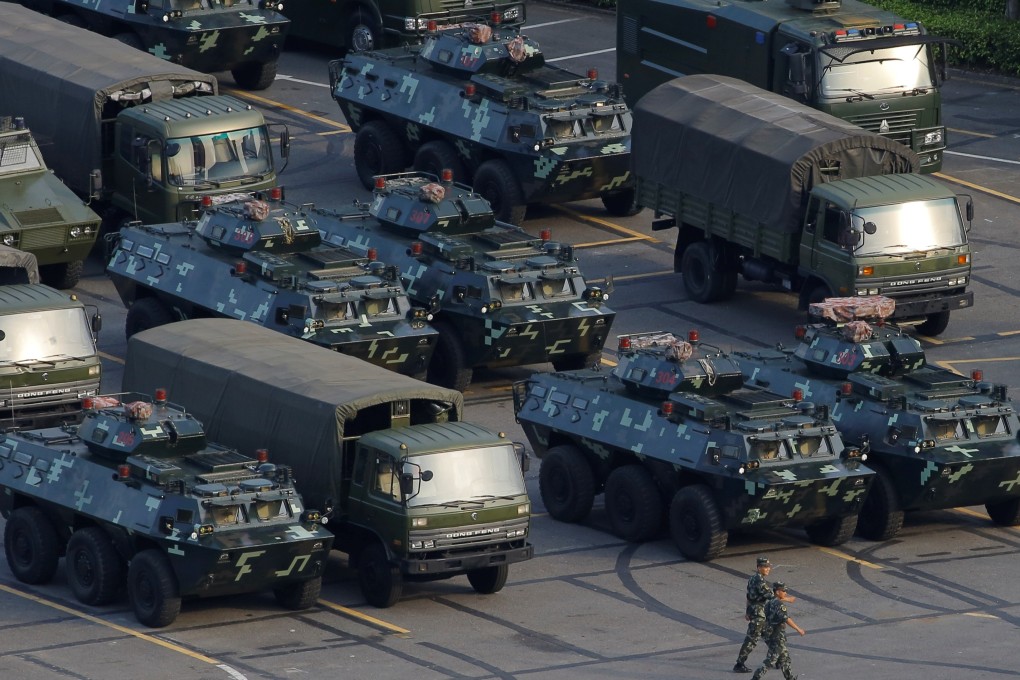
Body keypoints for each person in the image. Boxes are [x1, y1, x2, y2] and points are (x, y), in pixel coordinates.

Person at [751, 582, 805, 680]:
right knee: (771, 660)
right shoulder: (780, 605)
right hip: (777, 635)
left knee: (785, 658)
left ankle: (790, 678)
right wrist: (798, 629)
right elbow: (786, 619)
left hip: (769, 633)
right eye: (783, 591)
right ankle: (756, 677)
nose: (785, 593)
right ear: (777, 591)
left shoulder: (770, 602)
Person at [734, 556, 774, 673]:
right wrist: (785, 598)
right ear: (758, 567)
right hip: (758, 614)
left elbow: (748, 597)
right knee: (752, 639)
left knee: (769, 636)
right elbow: (770, 595)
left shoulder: (752, 579)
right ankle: (739, 664)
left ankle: (777, 658)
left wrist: (747, 612)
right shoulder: (759, 581)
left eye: (768, 567)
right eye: (764, 567)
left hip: (756, 611)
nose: (767, 569)